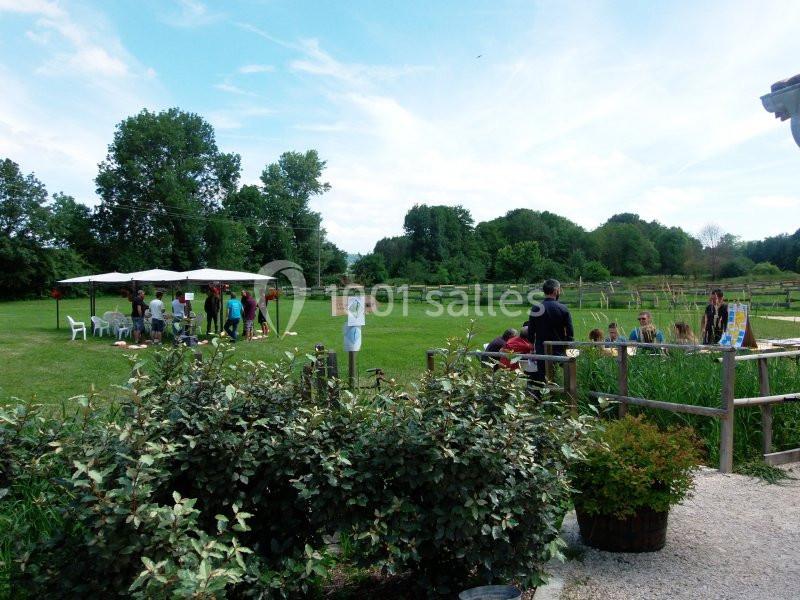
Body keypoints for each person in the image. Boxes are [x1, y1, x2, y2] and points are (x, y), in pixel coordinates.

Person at [524, 278, 574, 385]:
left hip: (541, 348)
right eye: (559, 289)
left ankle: (545, 397)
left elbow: (531, 330)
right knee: (560, 377)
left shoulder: (536, 308)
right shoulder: (563, 308)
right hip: (559, 348)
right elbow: (570, 332)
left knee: (544, 377)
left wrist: (531, 345)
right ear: (555, 291)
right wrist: (569, 347)